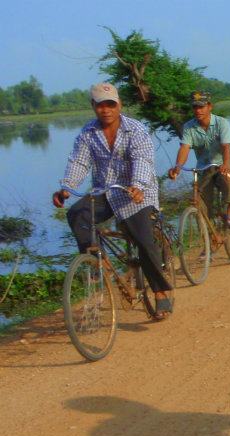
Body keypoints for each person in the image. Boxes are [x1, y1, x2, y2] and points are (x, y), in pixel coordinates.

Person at [53, 82, 173, 317]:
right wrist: (66, 187)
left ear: (119, 105)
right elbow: (79, 161)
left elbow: (143, 161)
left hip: (135, 194)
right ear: (93, 106)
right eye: (100, 105)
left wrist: (137, 186)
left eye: (111, 104)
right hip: (105, 192)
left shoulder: (136, 130)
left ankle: (160, 293)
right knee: (77, 213)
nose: (106, 110)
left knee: (144, 241)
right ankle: (95, 259)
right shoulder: (88, 133)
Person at [167, 91, 230, 228]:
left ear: (209, 107)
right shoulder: (189, 127)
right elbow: (184, 148)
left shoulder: (221, 123)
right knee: (200, 201)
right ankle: (208, 238)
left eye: (201, 107)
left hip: (226, 162)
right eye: (195, 107)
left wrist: (226, 164)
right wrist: (177, 166)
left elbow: (226, 147)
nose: (198, 110)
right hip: (204, 166)